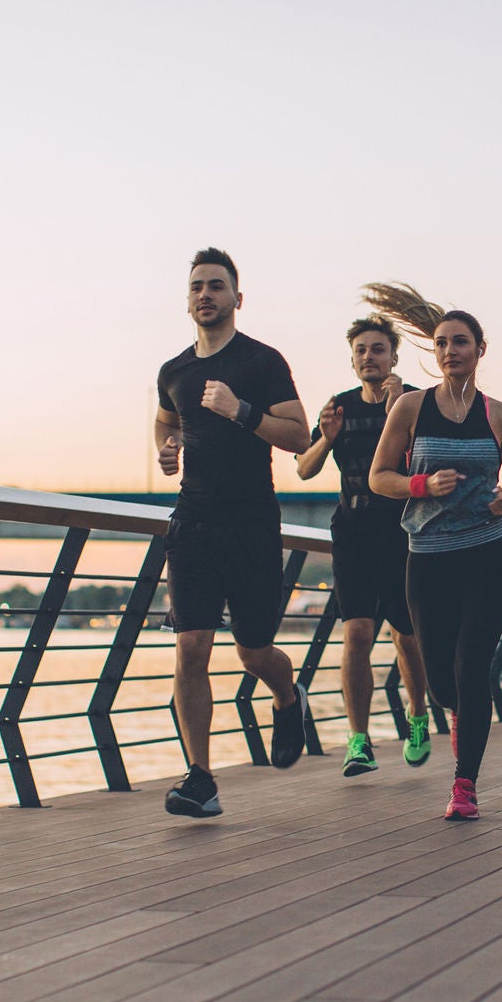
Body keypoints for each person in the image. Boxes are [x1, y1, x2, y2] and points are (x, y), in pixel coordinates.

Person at [154, 248, 312, 818]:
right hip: (192, 521)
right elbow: (164, 420)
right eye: (197, 286)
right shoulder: (173, 371)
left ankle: (287, 696)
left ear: (237, 299)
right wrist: (165, 452)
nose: (206, 295)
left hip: (251, 523)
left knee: (252, 652)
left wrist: (240, 411)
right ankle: (200, 778)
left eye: (217, 286)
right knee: (191, 645)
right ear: (187, 298)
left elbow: (299, 436)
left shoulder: (263, 362)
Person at [366, 284, 502, 821]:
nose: (450, 351)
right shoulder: (411, 408)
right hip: (428, 557)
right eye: (441, 344)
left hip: (486, 554)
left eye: (461, 342)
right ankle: (458, 716)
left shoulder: (500, 415)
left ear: (481, 349)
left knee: (471, 665)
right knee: (439, 679)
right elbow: (378, 477)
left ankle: (465, 785)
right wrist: (420, 487)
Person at [295, 317, 434, 776]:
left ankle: (417, 715)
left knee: (407, 636)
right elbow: (305, 469)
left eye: (377, 349)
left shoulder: (414, 402)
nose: (368, 357)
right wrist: (328, 438)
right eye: (361, 350)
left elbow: (425, 460)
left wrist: (398, 408)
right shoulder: (339, 407)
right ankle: (358, 740)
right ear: (353, 359)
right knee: (356, 632)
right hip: (353, 532)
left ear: (393, 357)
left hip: (404, 531)